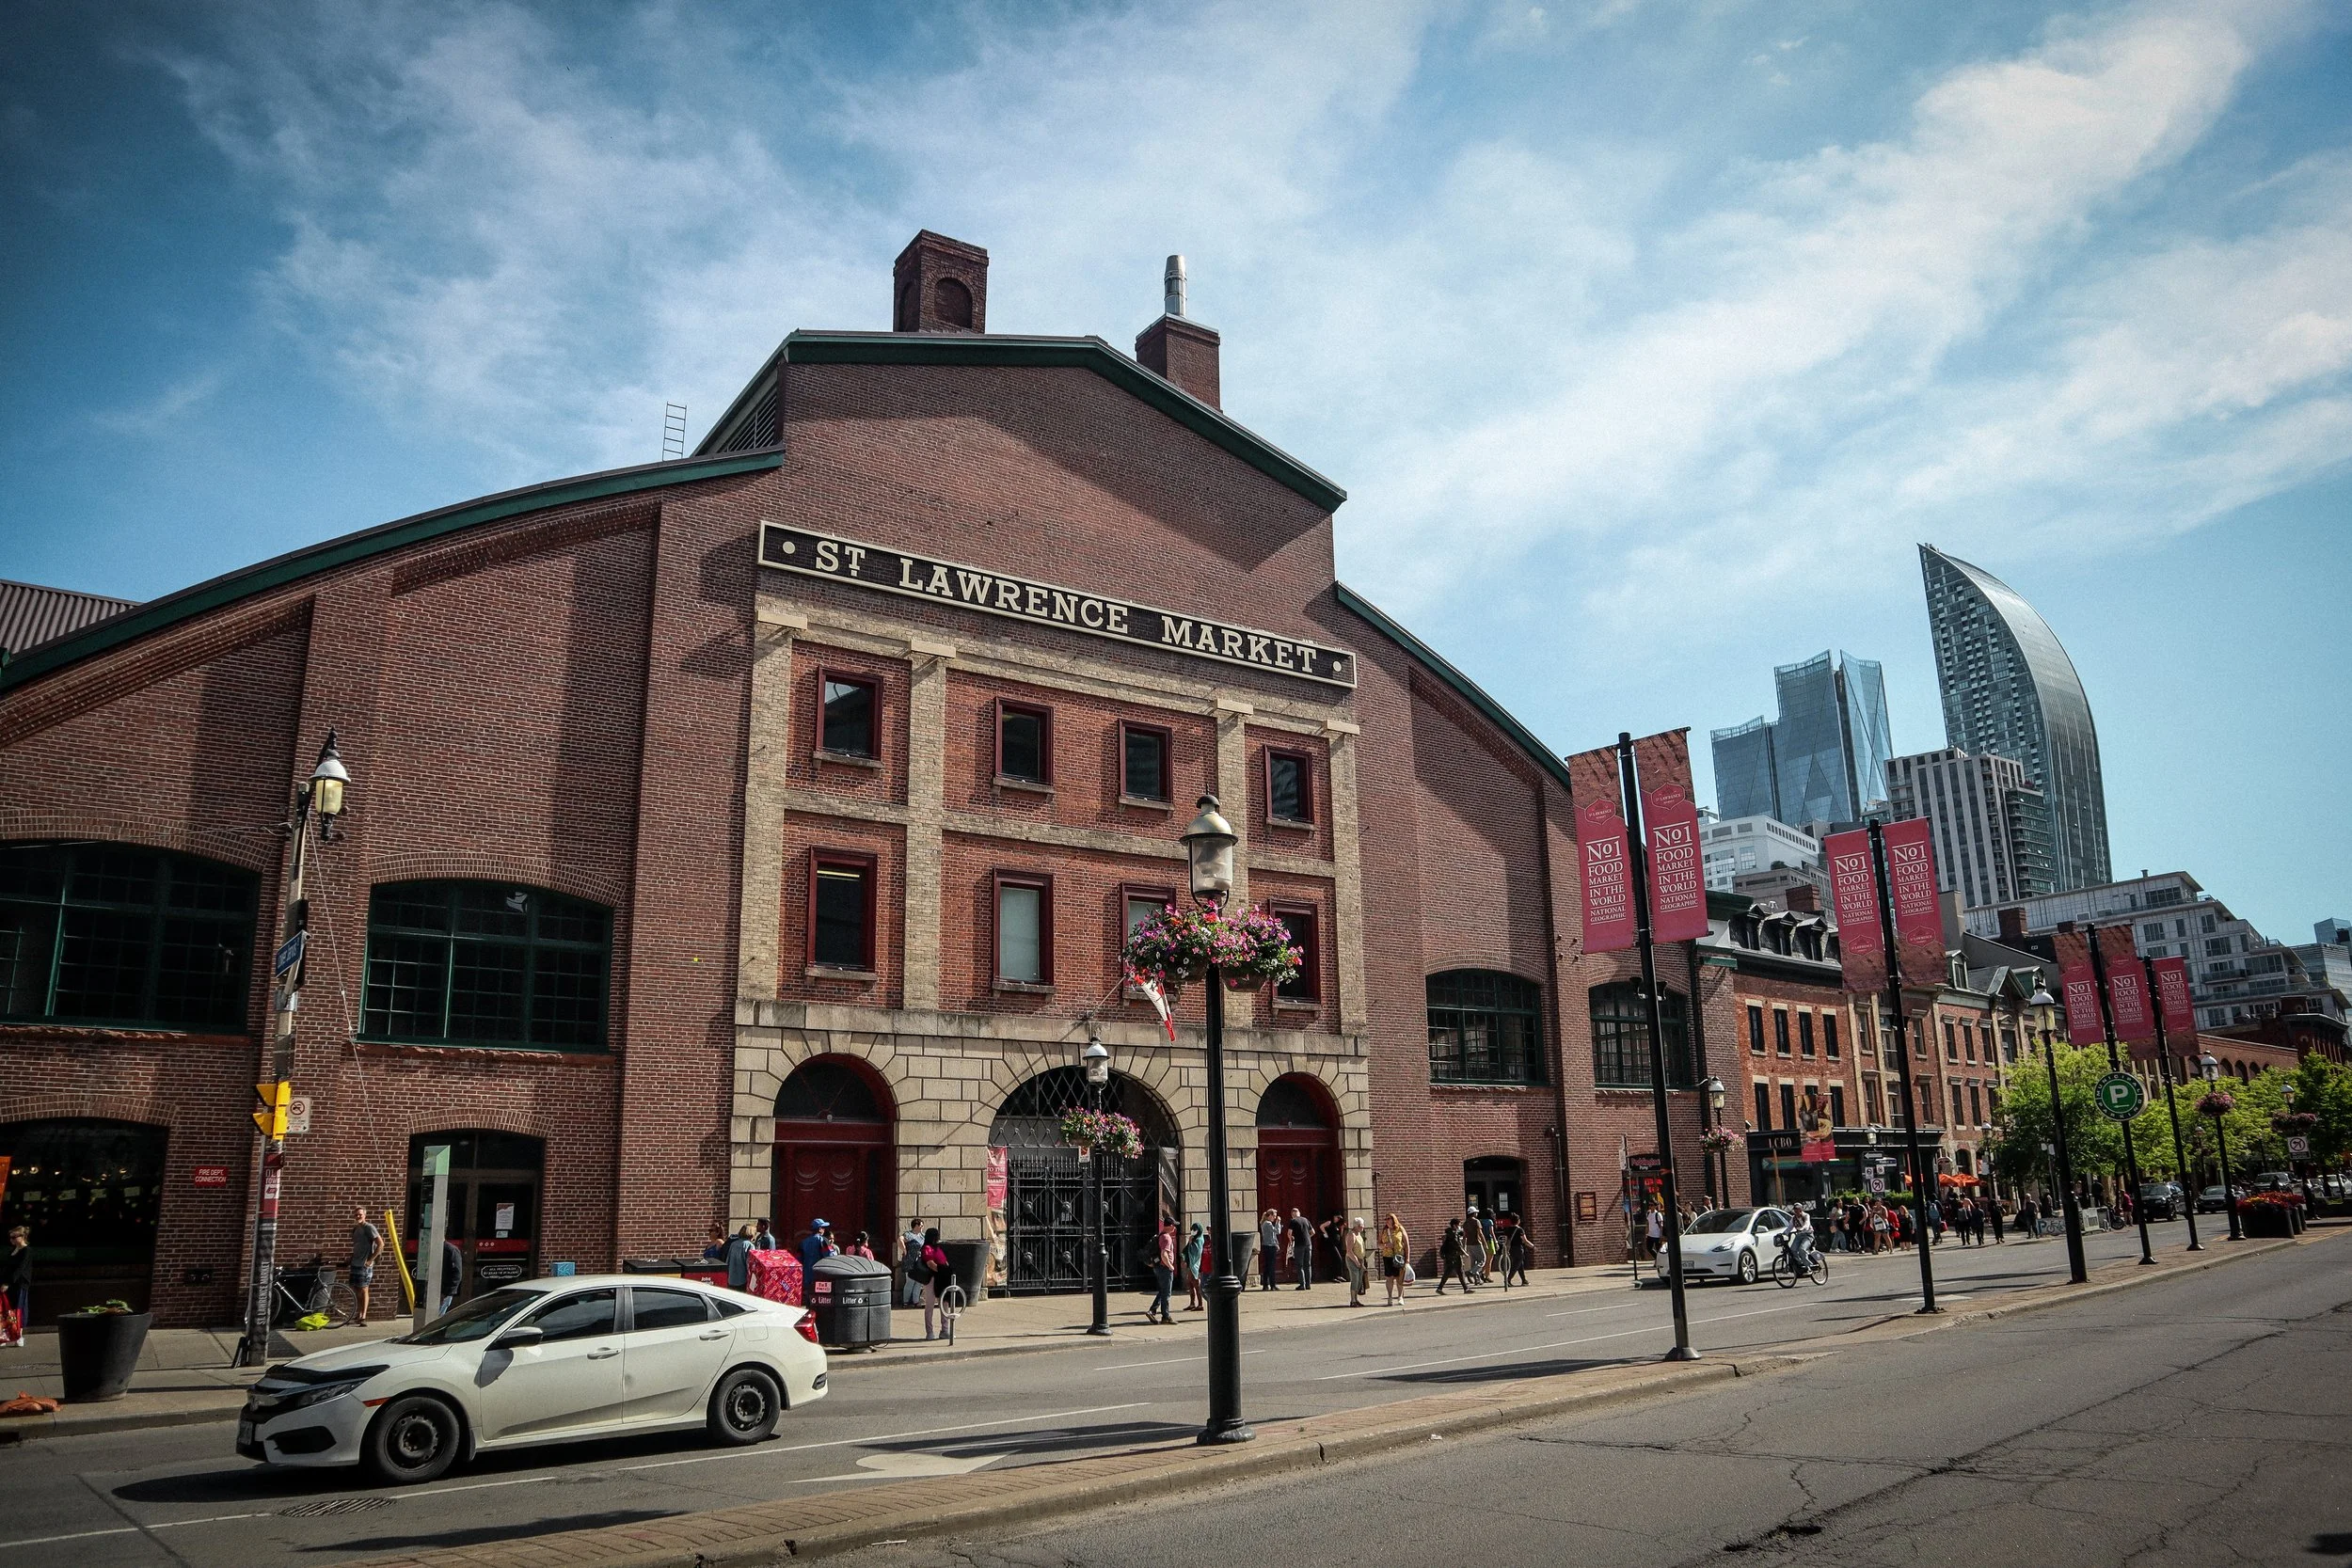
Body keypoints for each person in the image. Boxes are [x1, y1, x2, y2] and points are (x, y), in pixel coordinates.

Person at [348, 1204, 382, 1327]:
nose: (358, 1216)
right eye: (356, 1215)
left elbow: (380, 1244)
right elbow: (356, 1246)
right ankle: (358, 1313)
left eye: (360, 1215)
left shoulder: (369, 1227)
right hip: (355, 1263)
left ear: (365, 1215)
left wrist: (370, 1260)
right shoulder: (356, 1229)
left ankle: (363, 1316)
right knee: (356, 1289)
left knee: (364, 1289)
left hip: (364, 1265)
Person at [920, 1227, 952, 1339]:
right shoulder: (927, 1248)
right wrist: (943, 1270)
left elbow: (944, 1261)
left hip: (942, 1279)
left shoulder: (938, 1248)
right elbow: (930, 1263)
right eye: (936, 1236)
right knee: (930, 1305)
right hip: (932, 1278)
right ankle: (929, 1332)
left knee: (945, 1304)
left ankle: (945, 1330)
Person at [3, 1226, 30, 1348]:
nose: (12, 1240)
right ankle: (7, 1335)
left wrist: (8, 1282)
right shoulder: (12, 1251)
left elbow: (20, 1269)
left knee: (19, 1309)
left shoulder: (27, 1250)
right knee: (7, 1310)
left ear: (23, 1237)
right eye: (11, 1237)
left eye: (15, 1237)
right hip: (8, 1285)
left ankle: (19, 1335)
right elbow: (7, 1268)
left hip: (19, 1284)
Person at [1148, 1221, 1178, 1324]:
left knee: (1163, 1290)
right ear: (1169, 1226)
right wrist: (1170, 1266)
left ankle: (1152, 1311)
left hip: (1159, 1267)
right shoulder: (1166, 1238)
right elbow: (1164, 1254)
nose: (1174, 1227)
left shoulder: (1161, 1235)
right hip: (1164, 1268)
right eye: (1173, 1225)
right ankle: (1166, 1316)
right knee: (1167, 1293)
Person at [1379, 1212, 1409, 1306]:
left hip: (1399, 1256)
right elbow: (1378, 1244)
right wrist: (1385, 1245)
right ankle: (1390, 1297)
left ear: (1393, 1219)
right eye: (1386, 1219)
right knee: (1389, 1278)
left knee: (1399, 1278)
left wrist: (1407, 1258)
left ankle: (1400, 1297)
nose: (1387, 1221)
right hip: (1387, 1256)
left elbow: (1407, 1244)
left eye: (1389, 1218)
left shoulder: (1400, 1229)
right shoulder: (1384, 1230)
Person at [1436, 1218, 1471, 1294]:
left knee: (1460, 1272)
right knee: (1449, 1272)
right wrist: (1465, 1253)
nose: (1459, 1227)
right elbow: (1457, 1245)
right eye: (1458, 1225)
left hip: (1455, 1255)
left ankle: (1466, 1288)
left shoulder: (1452, 1233)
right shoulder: (1453, 1234)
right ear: (1454, 1225)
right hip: (1452, 1256)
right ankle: (1439, 1288)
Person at [1287, 1207, 1314, 1291]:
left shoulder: (1293, 1221)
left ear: (1292, 1215)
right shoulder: (1306, 1220)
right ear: (1299, 1213)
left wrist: (1291, 1241)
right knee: (1308, 1264)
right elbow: (1313, 1232)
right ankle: (1308, 1284)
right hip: (1308, 1244)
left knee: (1300, 1265)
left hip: (1299, 1245)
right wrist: (1308, 1237)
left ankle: (1302, 1284)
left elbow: (1289, 1233)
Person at [1182, 1223, 1207, 1312]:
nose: (1193, 1232)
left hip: (1195, 1265)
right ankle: (1192, 1303)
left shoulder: (1199, 1240)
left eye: (1194, 1230)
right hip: (1190, 1265)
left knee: (1196, 1284)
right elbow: (1186, 1249)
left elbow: (1196, 1252)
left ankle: (1200, 1304)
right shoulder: (1194, 1239)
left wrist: (1191, 1242)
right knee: (1190, 1283)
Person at [902, 1219, 928, 1306]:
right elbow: (900, 1239)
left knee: (918, 1282)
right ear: (916, 1226)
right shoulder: (909, 1235)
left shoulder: (923, 1236)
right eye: (921, 1225)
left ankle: (916, 1301)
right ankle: (905, 1301)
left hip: (920, 1261)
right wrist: (904, 1250)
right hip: (910, 1261)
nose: (922, 1227)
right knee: (910, 1281)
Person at [1343, 1217, 1368, 1307]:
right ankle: (1353, 1300)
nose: (1363, 1228)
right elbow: (1349, 1251)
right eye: (1361, 1226)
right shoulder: (1351, 1235)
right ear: (1356, 1226)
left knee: (1359, 1281)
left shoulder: (1359, 1234)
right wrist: (1356, 1261)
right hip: (1352, 1260)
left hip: (1360, 1260)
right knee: (1355, 1279)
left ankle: (1356, 1299)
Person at [1504, 1213, 1534, 1287]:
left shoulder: (1508, 1229)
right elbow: (1525, 1241)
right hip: (1519, 1248)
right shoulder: (1520, 1229)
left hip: (1512, 1249)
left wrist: (1507, 1249)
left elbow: (1506, 1241)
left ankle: (1524, 1280)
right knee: (1516, 1265)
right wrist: (1533, 1246)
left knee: (1520, 1264)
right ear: (1518, 1221)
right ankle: (1508, 1279)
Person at [1258, 1210, 1281, 1291]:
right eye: (1274, 1216)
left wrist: (1276, 1244)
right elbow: (1277, 1232)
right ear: (1270, 1215)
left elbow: (1272, 1235)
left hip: (1267, 1245)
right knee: (1271, 1266)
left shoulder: (1265, 1223)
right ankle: (1272, 1285)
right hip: (1270, 1247)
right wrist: (1278, 1222)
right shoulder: (1268, 1224)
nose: (1275, 1218)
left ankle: (1265, 1285)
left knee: (1267, 1266)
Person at [440, 1236, 462, 1316]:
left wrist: (446, 1293)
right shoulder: (431, 1249)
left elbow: (457, 1274)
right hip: (432, 1291)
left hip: (444, 1293)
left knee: (437, 1319)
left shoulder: (451, 1250)